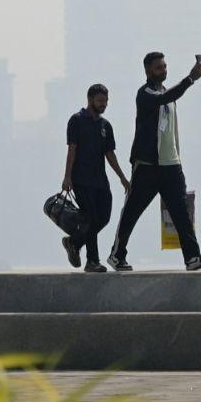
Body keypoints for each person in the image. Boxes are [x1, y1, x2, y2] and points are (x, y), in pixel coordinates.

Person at [107, 52, 201, 272]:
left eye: (165, 67)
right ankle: (117, 255)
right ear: (148, 71)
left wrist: (178, 157)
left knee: (181, 213)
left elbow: (170, 125)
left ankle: (192, 257)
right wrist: (190, 78)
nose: (164, 71)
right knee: (131, 211)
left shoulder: (167, 94)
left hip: (171, 166)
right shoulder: (145, 94)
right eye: (159, 68)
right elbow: (163, 100)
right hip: (147, 166)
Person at [61, 84, 132, 272]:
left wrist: (123, 178)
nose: (104, 104)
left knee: (104, 217)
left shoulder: (105, 126)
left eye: (106, 101)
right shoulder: (76, 120)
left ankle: (74, 242)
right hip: (81, 180)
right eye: (100, 101)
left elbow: (110, 154)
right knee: (90, 218)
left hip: (100, 180)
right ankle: (92, 261)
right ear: (90, 99)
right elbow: (72, 150)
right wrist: (67, 177)